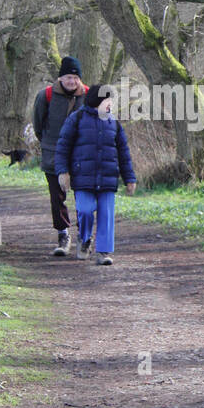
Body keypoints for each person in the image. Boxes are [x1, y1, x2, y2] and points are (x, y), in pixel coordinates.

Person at [54, 84, 137, 266]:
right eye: (108, 100)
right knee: (84, 211)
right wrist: (63, 172)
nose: (110, 104)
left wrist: (129, 178)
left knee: (106, 215)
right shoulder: (76, 119)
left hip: (108, 178)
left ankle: (103, 251)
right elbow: (62, 147)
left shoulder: (113, 123)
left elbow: (124, 153)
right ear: (97, 101)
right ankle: (84, 239)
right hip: (83, 177)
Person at [32, 56, 86, 256]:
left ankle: (84, 235)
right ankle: (63, 235)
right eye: (68, 77)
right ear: (60, 78)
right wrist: (49, 144)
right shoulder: (45, 95)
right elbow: (38, 126)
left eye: (75, 77)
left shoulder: (89, 96)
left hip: (82, 156)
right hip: (52, 154)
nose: (72, 81)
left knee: (84, 197)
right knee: (57, 198)